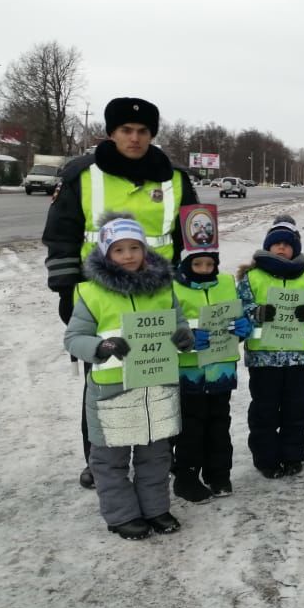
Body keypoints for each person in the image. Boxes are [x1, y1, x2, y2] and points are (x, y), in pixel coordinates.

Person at [43, 96, 199, 489]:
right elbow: (61, 233)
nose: (134, 138)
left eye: (143, 131)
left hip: (159, 295)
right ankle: (98, 461)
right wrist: (66, 291)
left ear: (152, 135)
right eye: (126, 131)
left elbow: (194, 237)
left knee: (160, 378)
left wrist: (192, 287)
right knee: (104, 381)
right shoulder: (83, 173)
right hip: (102, 294)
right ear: (111, 133)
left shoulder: (175, 178)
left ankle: (159, 454)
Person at [63, 213, 195, 540]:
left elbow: (179, 324)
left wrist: (183, 337)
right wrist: (101, 345)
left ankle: (155, 509)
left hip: (156, 388)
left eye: (134, 247)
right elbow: (73, 338)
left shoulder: (164, 289)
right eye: (119, 249)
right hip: (113, 394)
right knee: (111, 459)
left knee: (156, 456)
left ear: (145, 250)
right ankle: (122, 515)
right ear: (106, 253)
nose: (128, 256)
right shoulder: (91, 294)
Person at [171, 204, 253, 502]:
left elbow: (236, 314)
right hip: (189, 371)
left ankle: (219, 474)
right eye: (198, 265)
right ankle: (186, 477)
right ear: (186, 265)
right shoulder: (173, 290)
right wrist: (189, 336)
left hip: (220, 368)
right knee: (191, 428)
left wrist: (243, 326)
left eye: (209, 265)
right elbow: (167, 328)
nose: (205, 270)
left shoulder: (227, 284)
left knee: (220, 424)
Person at [237, 215, 304, 479]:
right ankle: (266, 457)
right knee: (264, 409)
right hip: (264, 358)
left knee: (296, 409)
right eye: (277, 243)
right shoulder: (252, 278)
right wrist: (257, 312)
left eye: (287, 244)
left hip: (297, 358)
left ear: (295, 248)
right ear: (268, 246)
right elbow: (239, 308)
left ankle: (293, 454)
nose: (282, 248)